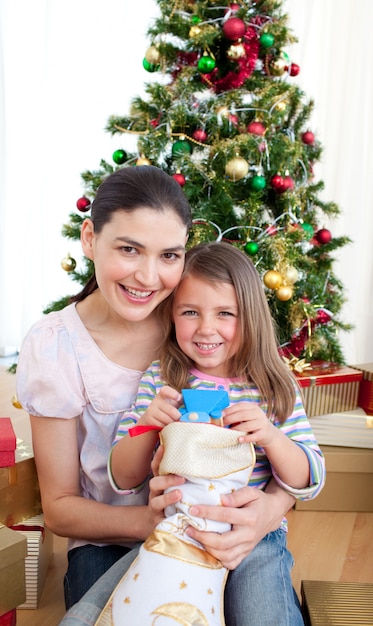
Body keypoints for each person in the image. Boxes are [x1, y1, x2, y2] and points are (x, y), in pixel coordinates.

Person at [15, 165, 306, 623]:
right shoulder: (57, 346)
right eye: (129, 249)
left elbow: (287, 445)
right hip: (111, 537)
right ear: (90, 238)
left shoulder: (195, 323)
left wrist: (266, 512)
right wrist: (159, 523)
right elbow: (61, 509)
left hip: (226, 525)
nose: (149, 277)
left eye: (169, 255)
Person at [98, 242, 326, 625]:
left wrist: (271, 436)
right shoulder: (162, 378)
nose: (206, 329)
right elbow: (123, 477)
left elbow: (311, 477)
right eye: (190, 312)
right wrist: (147, 427)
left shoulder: (274, 385)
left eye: (225, 313)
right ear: (172, 315)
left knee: (262, 616)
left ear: (250, 316)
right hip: (178, 531)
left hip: (256, 539)